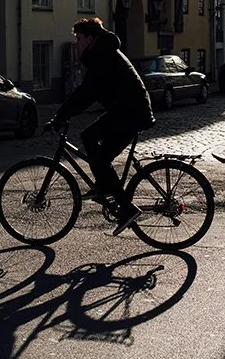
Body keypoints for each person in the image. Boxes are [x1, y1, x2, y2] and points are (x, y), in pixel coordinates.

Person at [46, 17, 155, 235]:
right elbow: (88, 93)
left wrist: (60, 117)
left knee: (98, 154)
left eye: (78, 39)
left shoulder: (101, 55)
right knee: (90, 139)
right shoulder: (102, 52)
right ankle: (105, 185)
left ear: (89, 37)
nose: (77, 44)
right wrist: (65, 113)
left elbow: (86, 93)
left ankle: (126, 208)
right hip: (127, 110)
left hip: (131, 112)